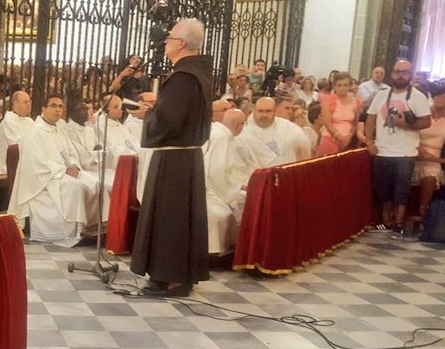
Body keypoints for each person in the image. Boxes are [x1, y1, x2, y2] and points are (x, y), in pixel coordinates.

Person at [131, 18, 213, 298]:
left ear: (180, 43)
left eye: (169, 38)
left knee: (171, 219)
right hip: (186, 159)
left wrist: (149, 113)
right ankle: (175, 275)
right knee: (177, 217)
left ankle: (171, 277)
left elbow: (170, 121)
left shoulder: (183, 77)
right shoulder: (196, 73)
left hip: (175, 162)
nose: (165, 42)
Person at [8, 94, 102, 246]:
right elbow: (37, 165)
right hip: (46, 180)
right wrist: (63, 170)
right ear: (43, 109)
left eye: (60, 106)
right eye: (53, 106)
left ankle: (93, 228)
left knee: (96, 183)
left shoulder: (60, 130)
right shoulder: (34, 132)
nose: (58, 110)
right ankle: (75, 231)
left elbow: (71, 153)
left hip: (63, 173)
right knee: (76, 187)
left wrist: (73, 166)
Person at [365, 59, 432, 237]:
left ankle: (399, 222)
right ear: (392, 73)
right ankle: (385, 221)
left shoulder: (418, 96)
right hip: (382, 149)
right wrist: (369, 142)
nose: (400, 75)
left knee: (401, 188)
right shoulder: (381, 95)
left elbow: (426, 121)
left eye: (404, 72)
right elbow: (370, 118)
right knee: (382, 188)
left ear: (410, 75)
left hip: (406, 151)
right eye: (397, 72)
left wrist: (405, 124)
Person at [204, 108, 247, 255]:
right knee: (243, 201)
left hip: (209, 184)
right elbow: (216, 171)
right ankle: (229, 249)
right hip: (209, 188)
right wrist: (237, 187)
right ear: (240, 126)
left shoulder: (215, 131)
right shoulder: (222, 137)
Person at [415, 85, 445, 218]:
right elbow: (412, 132)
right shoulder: (423, 111)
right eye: (439, 95)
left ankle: (423, 211)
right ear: (433, 96)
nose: (441, 99)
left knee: (431, 177)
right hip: (416, 150)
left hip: (437, 156)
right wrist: (420, 150)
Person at [238, 97, 312, 167]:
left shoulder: (289, 128)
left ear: (274, 112)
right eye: (260, 111)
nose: (264, 115)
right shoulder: (242, 131)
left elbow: (305, 154)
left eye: (268, 111)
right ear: (254, 111)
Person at [0, 90, 36, 175]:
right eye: (25, 102)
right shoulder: (8, 123)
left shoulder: (30, 121)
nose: (29, 104)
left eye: (30, 101)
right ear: (16, 104)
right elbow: (17, 146)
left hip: (28, 164)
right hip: (7, 169)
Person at [316, 71, 361, 156]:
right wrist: (340, 138)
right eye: (339, 85)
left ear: (350, 86)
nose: (342, 88)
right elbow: (327, 122)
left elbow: (356, 122)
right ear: (334, 86)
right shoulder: (327, 100)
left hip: (349, 142)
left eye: (345, 85)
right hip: (330, 139)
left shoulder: (356, 101)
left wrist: (349, 136)